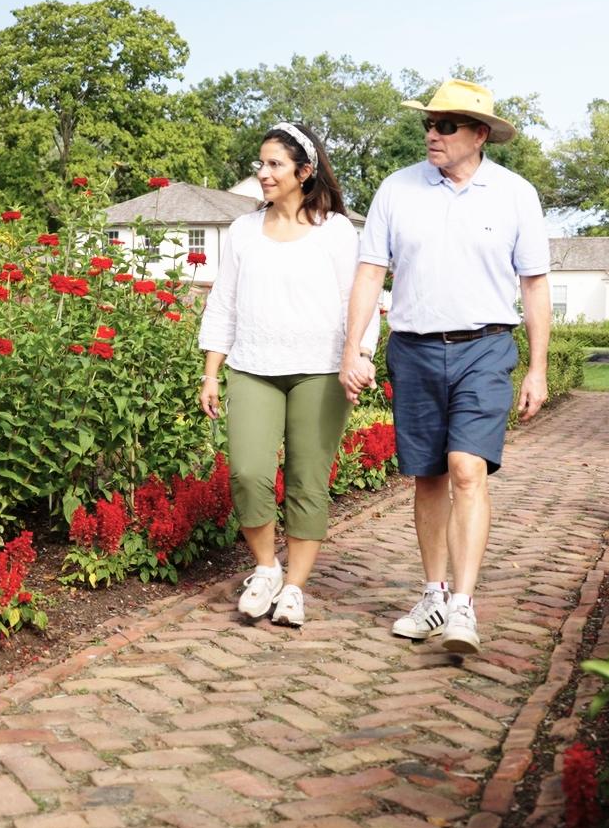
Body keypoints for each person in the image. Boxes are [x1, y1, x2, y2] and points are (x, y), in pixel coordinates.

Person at [339, 79, 551, 655]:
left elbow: (533, 284)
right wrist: (353, 346)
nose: (432, 134)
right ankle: (432, 595)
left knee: (465, 469)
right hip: (413, 348)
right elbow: (369, 272)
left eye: (445, 126)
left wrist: (538, 368)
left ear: (479, 135)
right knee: (428, 475)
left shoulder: (514, 195)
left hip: (485, 346)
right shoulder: (396, 189)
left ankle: (462, 603)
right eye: (427, 125)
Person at [198, 122, 380, 627]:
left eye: (275, 164)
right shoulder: (242, 231)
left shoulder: (337, 231)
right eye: (261, 163)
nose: (263, 173)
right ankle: (266, 568)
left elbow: (361, 302)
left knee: (306, 479)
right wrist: (211, 372)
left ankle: (295, 587)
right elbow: (224, 302)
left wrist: (359, 355)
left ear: (305, 171)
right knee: (248, 473)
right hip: (253, 366)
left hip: (320, 372)